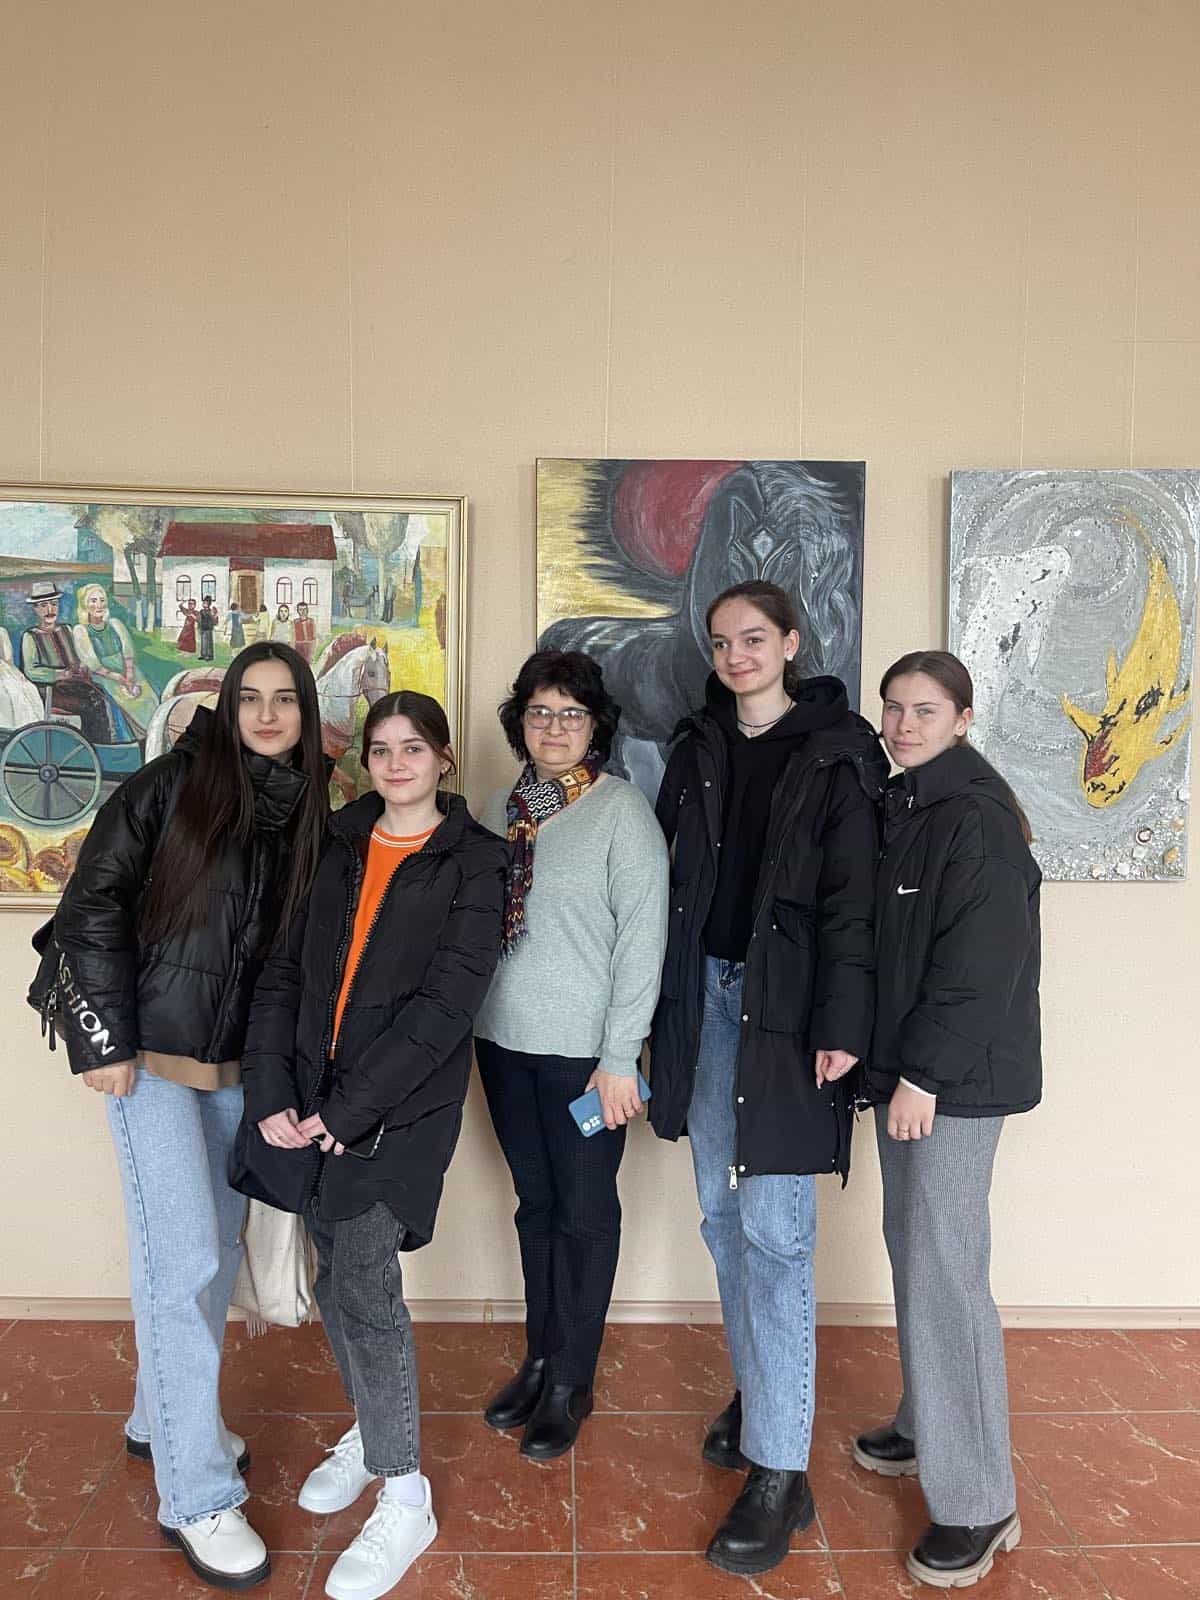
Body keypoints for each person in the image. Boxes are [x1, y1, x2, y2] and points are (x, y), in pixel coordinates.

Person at [50, 641, 328, 1590]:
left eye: (283, 699)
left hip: (244, 1071)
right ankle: (197, 1497)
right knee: (184, 1266)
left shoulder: (310, 809)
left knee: (208, 1249)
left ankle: (156, 1420)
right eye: (250, 698)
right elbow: (90, 903)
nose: (266, 715)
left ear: (305, 713)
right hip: (153, 1067)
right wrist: (104, 1043)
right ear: (228, 705)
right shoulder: (170, 785)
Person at [238, 690, 507, 1600]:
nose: (396, 764)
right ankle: (371, 1428)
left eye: (413, 748)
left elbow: (446, 1008)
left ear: (443, 759)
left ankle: (405, 1493)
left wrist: (347, 1113)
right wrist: (272, 1091)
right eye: (381, 749)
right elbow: (281, 971)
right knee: (331, 1272)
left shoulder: (478, 861)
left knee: (364, 1280)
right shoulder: (335, 843)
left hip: (399, 1112)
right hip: (309, 1101)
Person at [649, 580, 886, 1576]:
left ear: (790, 642)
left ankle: (781, 1472)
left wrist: (842, 1025)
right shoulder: (697, 744)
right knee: (721, 1216)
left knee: (778, 1237)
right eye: (721, 642)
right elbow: (668, 882)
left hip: (786, 1010)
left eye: (754, 638)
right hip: (703, 998)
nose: (736, 655)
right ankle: (764, 1396)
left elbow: (855, 901)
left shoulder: (840, 750)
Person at [853, 651, 1041, 1590]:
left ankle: (979, 1501)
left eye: (924, 710)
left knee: (948, 1275)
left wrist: (922, 1077)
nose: (903, 725)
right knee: (918, 1253)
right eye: (893, 708)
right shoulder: (914, 803)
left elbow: (979, 965)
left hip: (952, 1084)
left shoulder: (977, 818)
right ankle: (930, 1421)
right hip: (914, 1076)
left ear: (963, 719)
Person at [474, 650, 668, 1460]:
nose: (554, 728)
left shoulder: (623, 813)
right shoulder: (500, 809)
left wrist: (620, 1058)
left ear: (595, 727)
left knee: (585, 1215)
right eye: (540, 712)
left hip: (587, 1062)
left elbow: (643, 944)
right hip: (502, 1046)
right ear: (520, 723)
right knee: (535, 1206)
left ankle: (571, 1382)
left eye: (571, 714)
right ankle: (540, 1358)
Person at [20, 579, 118, 742]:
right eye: (43, 606)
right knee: (88, 704)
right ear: (35, 609)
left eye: (54, 604)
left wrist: (82, 667)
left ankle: (104, 744)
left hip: (74, 684)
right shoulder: (30, 636)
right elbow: (31, 671)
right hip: (49, 690)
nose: (50, 610)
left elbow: (78, 656)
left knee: (101, 695)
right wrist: (60, 674)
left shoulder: (67, 630)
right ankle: (93, 745)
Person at [71, 582, 159, 741]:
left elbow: (128, 650)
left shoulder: (115, 624)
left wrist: (129, 673)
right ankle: (136, 738)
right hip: (104, 675)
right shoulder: (81, 631)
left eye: (102, 600)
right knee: (128, 702)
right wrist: (119, 678)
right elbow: (93, 664)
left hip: (126, 668)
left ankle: (155, 734)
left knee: (148, 697)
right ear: (85, 605)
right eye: (93, 601)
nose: (99, 605)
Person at [198, 596, 219, 661]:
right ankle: (203, 655)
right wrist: (199, 627)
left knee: (209, 643)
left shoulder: (211, 611)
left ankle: (210, 656)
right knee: (203, 642)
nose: (203, 604)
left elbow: (214, 621)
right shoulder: (201, 611)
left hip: (209, 628)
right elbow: (200, 620)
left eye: (205, 603)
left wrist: (213, 614)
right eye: (203, 603)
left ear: (209, 604)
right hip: (203, 628)